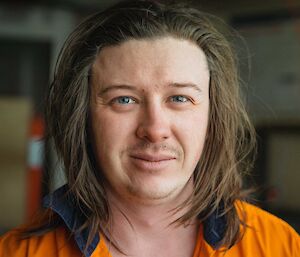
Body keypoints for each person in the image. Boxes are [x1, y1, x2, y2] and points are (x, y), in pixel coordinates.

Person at [0, 0, 299, 256]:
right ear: (84, 118)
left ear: (213, 118)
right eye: (124, 99)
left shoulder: (279, 246)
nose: (155, 129)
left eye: (179, 98)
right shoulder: (18, 252)